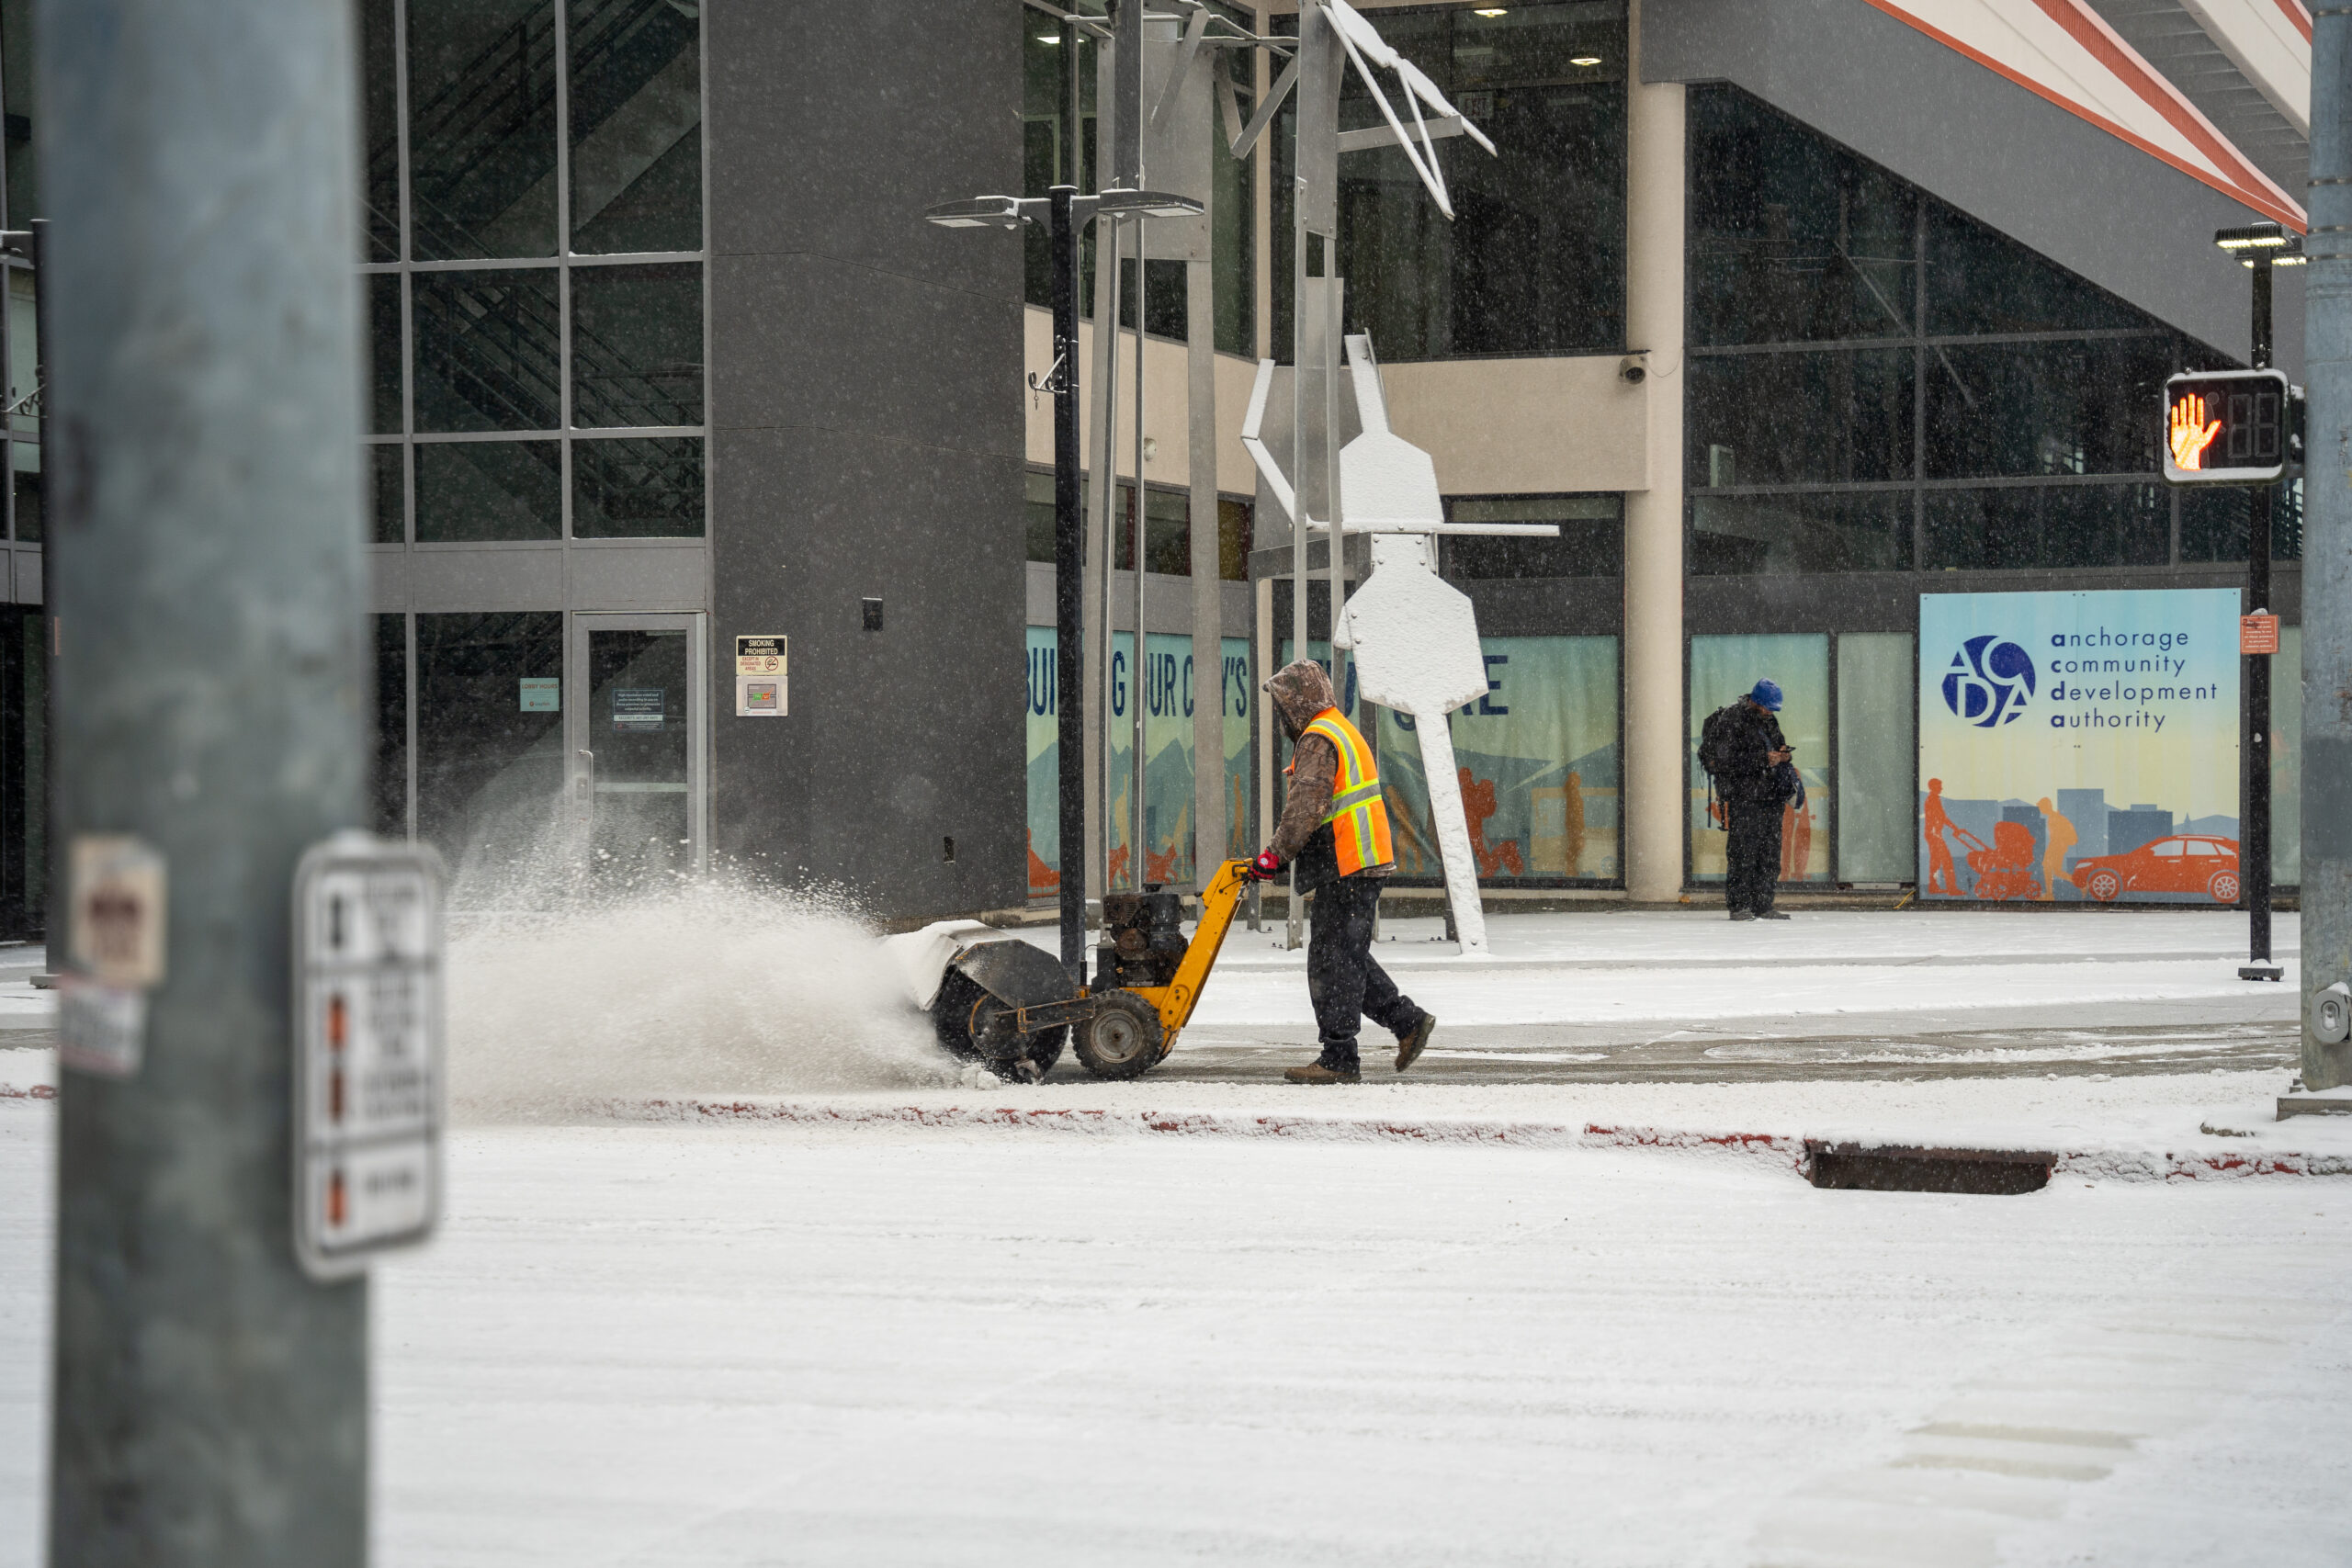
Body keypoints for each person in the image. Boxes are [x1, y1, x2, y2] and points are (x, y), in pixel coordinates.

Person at [1250, 660, 1437, 1084]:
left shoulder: (1319, 737)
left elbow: (1306, 808)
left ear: (1298, 701)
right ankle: (1407, 1022)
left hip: (1349, 862)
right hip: (1358, 861)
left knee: (1332, 960)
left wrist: (1273, 857)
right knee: (1343, 955)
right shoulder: (1337, 727)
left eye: (1283, 704)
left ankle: (1339, 1058)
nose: (1281, 716)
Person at [1698, 679, 1797, 921]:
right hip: (1745, 797)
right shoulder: (1732, 720)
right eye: (1767, 707)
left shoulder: (1769, 720)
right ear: (1755, 701)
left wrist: (1782, 756)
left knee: (1770, 853)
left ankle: (1764, 904)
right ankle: (1740, 905)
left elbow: (1776, 745)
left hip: (1771, 795)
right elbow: (1725, 761)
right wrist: (1763, 759)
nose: (1770, 712)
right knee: (1743, 852)